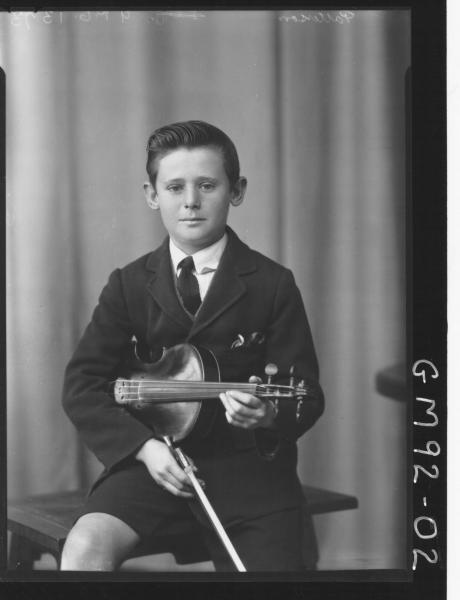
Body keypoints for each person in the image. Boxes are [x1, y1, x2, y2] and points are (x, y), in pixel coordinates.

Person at [61, 120, 324, 572]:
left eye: (207, 185)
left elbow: (307, 395)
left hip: (249, 477)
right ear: (151, 195)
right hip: (153, 463)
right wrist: (144, 449)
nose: (190, 202)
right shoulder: (128, 284)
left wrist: (267, 416)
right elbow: (83, 386)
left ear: (236, 190)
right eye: (175, 186)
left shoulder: (272, 284)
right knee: (86, 547)